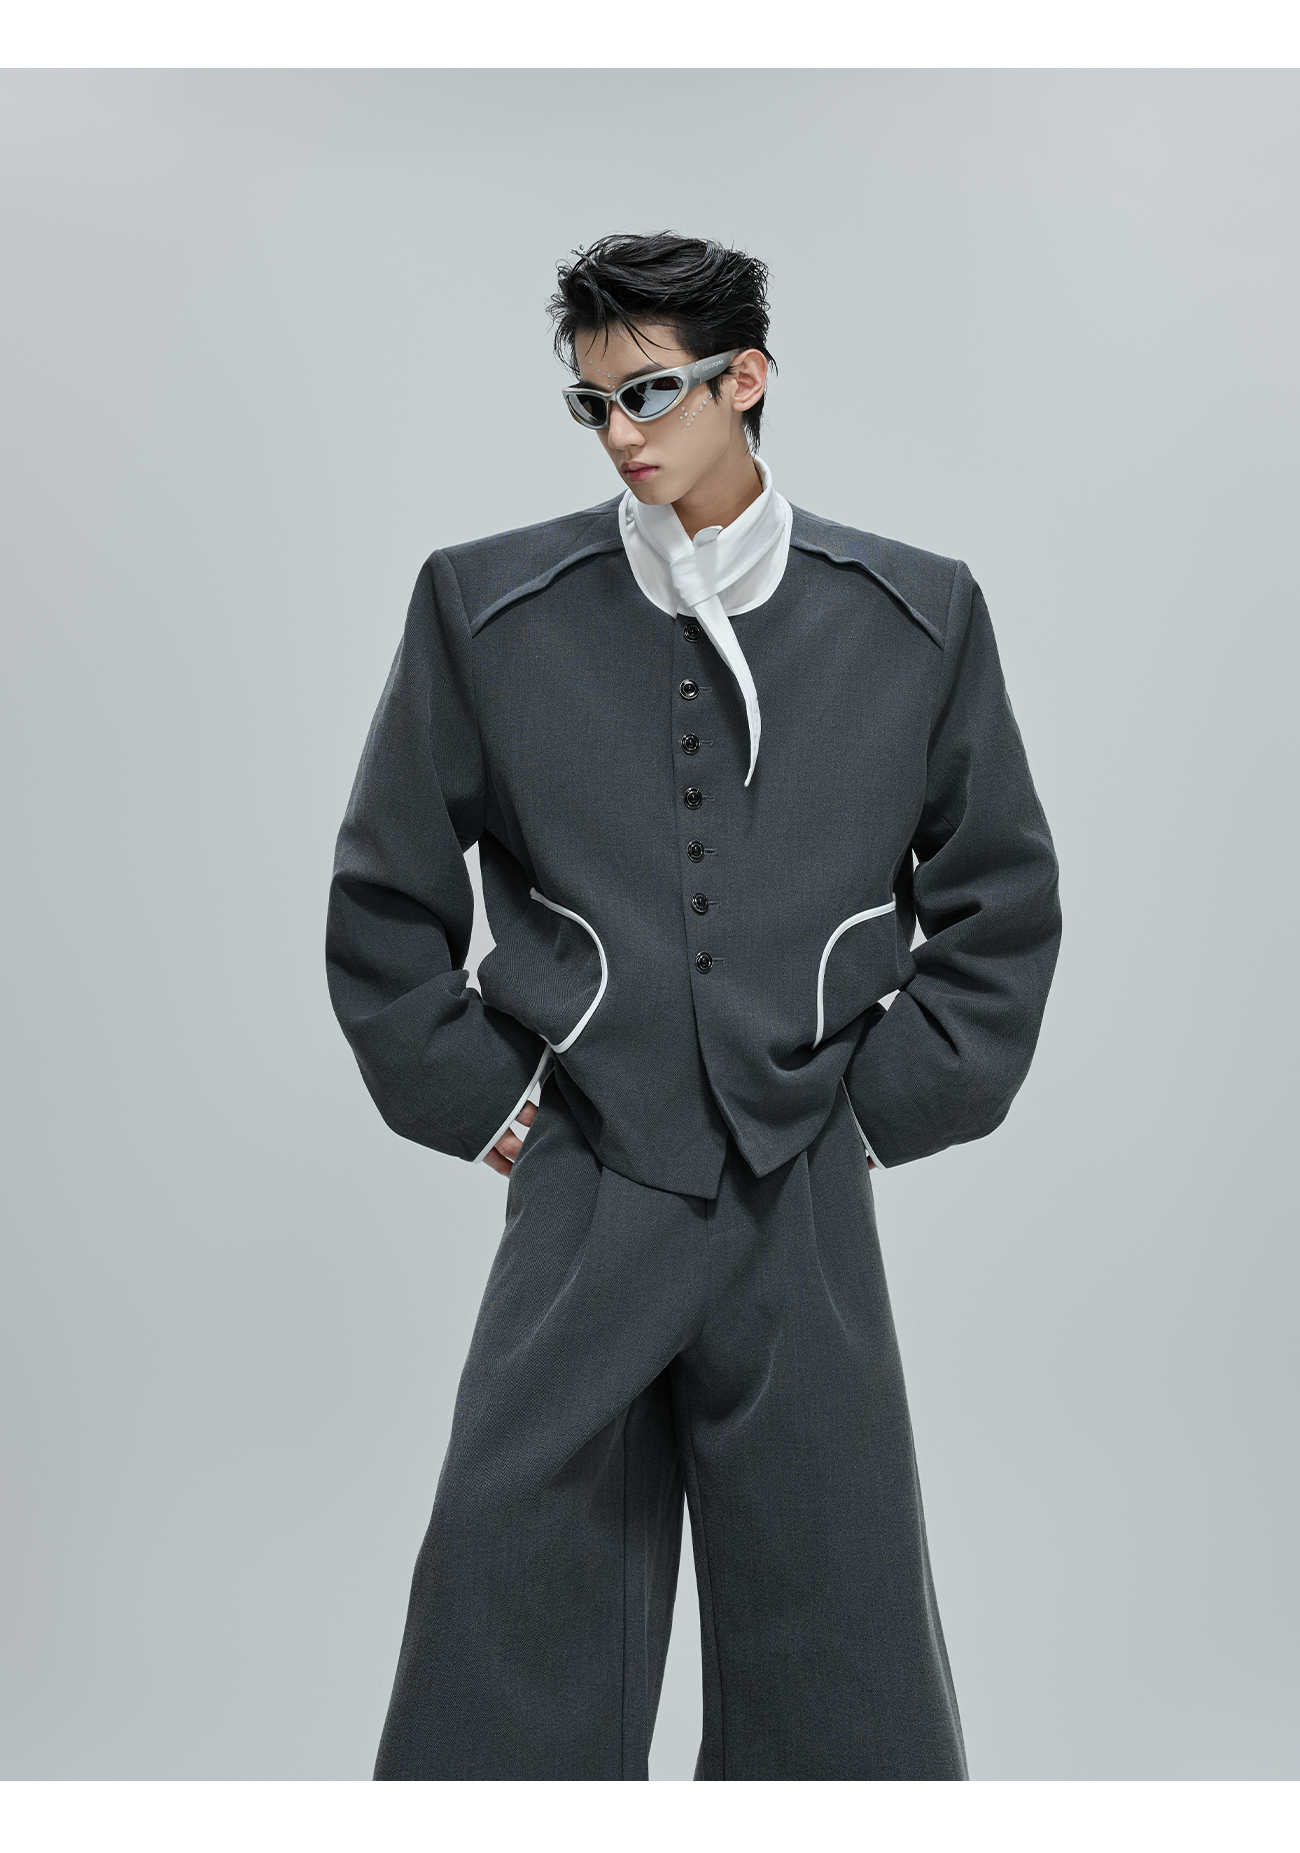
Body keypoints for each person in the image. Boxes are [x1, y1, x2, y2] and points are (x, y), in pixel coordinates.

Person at [326, 231, 1061, 1781]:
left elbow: (1001, 903)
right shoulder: (485, 607)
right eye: (591, 403)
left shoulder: (916, 616)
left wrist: (874, 1110)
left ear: (749, 378)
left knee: (838, 1628)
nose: (621, 433)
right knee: (507, 1596)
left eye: (650, 391)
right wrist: (490, 1100)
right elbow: (386, 895)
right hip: (587, 1180)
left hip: (804, 1191)